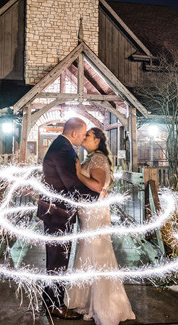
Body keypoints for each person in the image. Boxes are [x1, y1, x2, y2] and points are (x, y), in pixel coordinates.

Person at [66, 127, 136, 325]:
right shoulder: (94, 157)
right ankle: (88, 299)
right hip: (90, 213)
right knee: (89, 254)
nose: (83, 137)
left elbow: (97, 186)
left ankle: (104, 305)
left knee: (95, 254)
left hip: (94, 214)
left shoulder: (97, 159)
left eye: (87, 135)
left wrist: (79, 173)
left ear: (97, 140)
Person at [38, 117, 97, 320]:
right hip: (58, 213)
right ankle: (55, 304)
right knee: (58, 260)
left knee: (56, 259)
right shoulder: (64, 150)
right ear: (73, 133)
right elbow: (71, 182)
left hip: (54, 211)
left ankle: (49, 298)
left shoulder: (61, 145)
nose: (83, 138)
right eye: (82, 134)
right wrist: (97, 197)